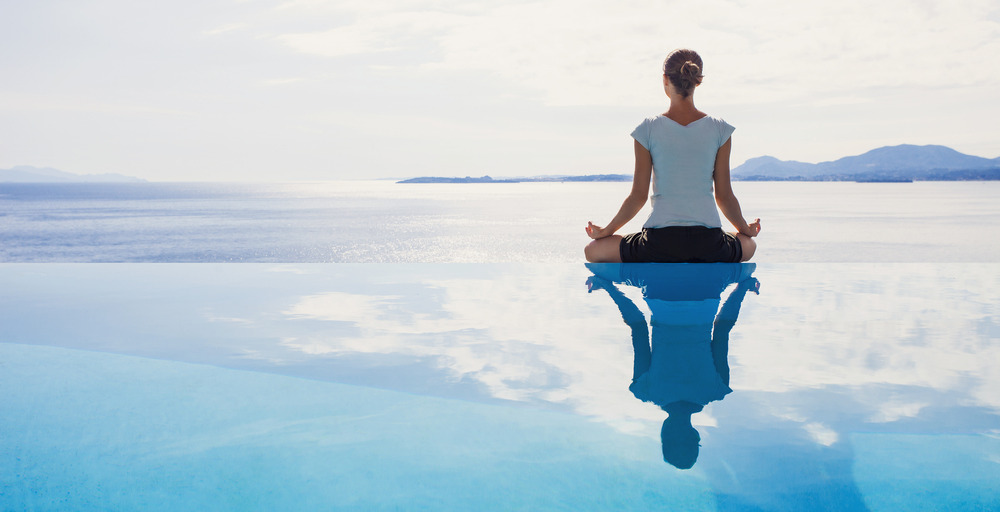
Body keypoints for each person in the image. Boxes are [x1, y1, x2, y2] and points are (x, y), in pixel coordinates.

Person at [584, 49, 761, 263]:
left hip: (659, 244)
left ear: (665, 79)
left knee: (592, 250)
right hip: (709, 244)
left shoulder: (647, 129)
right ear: (698, 81)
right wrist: (745, 229)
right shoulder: (720, 129)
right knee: (749, 245)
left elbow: (637, 197)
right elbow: (724, 196)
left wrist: (606, 231)